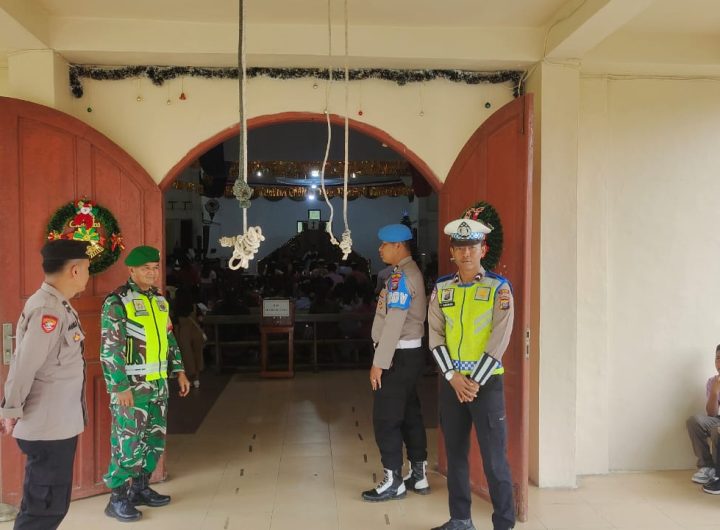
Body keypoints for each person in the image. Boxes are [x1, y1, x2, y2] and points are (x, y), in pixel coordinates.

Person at [428, 217, 515, 530]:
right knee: (456, 455)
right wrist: (452, 377)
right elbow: (435, 335)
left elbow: (500, 338)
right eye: (460, 247)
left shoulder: (498, 289)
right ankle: (460, 520)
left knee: (494, 460)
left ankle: (504, 524)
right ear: (452, 251)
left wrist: (474, 380)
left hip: (485, 384)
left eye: (472, 246)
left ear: (483, 249)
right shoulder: (442, 289)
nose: (466, 253)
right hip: (453, 384)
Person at [0, 240, 91, 530]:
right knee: (44, 510)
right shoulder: (48, 311)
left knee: (50, 505)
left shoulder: (57, 304)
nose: (88, 275)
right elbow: (24, 365)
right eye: (87, 269)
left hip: (56, 425)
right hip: (48, 428)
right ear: (74, 270)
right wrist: (10, 410)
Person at [100, 245, 190, 522]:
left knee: (153, 440)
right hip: (131, 388)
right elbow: (110, 348)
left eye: (155, 268)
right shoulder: (118, 301)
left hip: (158, 385)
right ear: (132, 270)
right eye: (145, 268)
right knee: (127, 443)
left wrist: (179, 370)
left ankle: (140, 488)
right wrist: (119, 386)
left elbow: (169, 338)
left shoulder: (160, 301)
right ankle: (117, 498)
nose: (152, 273)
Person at [362, 224, 429, 502]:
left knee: (386, 418)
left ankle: (393, 481)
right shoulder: (408, 273)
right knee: (410, 413)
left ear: (399, 246)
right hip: (409, 356)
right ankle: (418, 474)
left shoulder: (401, 277)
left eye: (384, 244)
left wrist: (379, 362)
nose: (380, 249)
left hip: (397, 356)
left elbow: (393, 324)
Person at [686, 345, 720, 486]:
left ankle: (718, 472)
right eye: (718, 358)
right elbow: (712, 413)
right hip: (718, 418)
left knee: (716, 431)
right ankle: (707, 467)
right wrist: (714, 392)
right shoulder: (712, 382)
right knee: (694, 421)